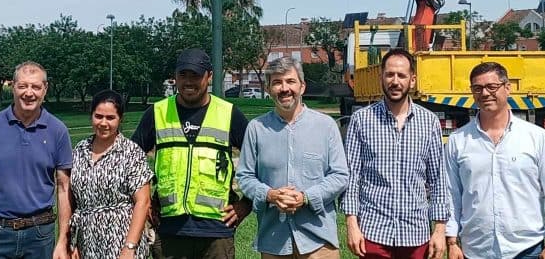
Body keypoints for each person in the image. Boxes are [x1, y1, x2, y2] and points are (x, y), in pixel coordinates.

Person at [130, 48, 251, 259]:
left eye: (195, 75)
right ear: (174, 77)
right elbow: (129, 161)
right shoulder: (157, 113)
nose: (188, 82)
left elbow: (259, 163)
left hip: (216, 233)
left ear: (209, 76)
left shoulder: (229, 113)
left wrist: (245, 205)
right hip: (169, 230)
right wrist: (145, 200)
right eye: (182, 75)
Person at [444, 62, 545, 259]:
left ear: (507, 88)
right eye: (477, 88)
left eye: (492, 87)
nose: (485, 93)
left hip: (526, 249)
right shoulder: (458, 141)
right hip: (476, 249)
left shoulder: (536, 137)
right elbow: (451, 194)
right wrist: (451, 240)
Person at [236, 56, 348, 259]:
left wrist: (306, 197)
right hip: (274, 241)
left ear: (302, 87)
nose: (284, 88)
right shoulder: (257, 129)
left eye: (290, 81)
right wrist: (270, 195)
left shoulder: (326, 126)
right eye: (277, 83)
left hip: (319, 241)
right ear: (269, 89)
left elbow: (339, 175)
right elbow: (244, 177)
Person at [342, 48, 449, 259]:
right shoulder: (362, 120)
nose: (395, 81)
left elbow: (438, 179)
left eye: (402, 75)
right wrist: (351, 223)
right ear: (381, 77)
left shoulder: (429, 123)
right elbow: (352, 176)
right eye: (390, 74)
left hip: (415, 232)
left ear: (412, 80)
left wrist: (439, 228)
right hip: (373, 231)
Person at [0, 61, 73, 259]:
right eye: (23, 86)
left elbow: (64, 188)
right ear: (12, 86)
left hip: (40, 233)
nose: (29, 93)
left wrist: (63, 240)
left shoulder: (58, 131)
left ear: (45, 89)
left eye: (36, 87)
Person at [68, 89, 153, 259]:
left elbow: (143, 202)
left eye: (110, 118)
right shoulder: (79, 150)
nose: (103, 123)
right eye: (98, 116)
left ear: (120, 119)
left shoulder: (131, 152)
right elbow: (72, 199)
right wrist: (72, 242)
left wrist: (129, 247)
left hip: (122, 239)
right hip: (87, 241)